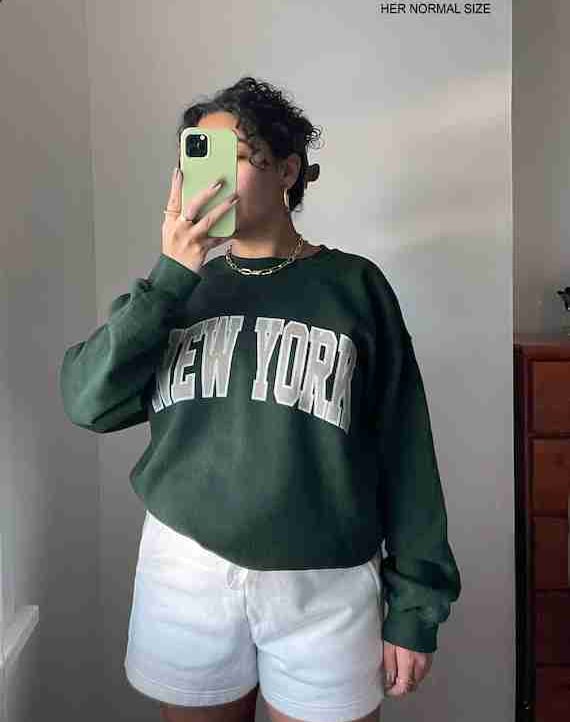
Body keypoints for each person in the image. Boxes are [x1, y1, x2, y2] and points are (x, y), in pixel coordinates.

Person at [59, 76, 461, 722]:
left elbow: (406, 453)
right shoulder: (174, 294)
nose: (214, 180)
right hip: (185, 572)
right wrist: (170, 276)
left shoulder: (355, 288)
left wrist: (415, 605)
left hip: (326, 584)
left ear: (287, 171)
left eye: (238, 158)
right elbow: (86, 400)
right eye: (199, 158)